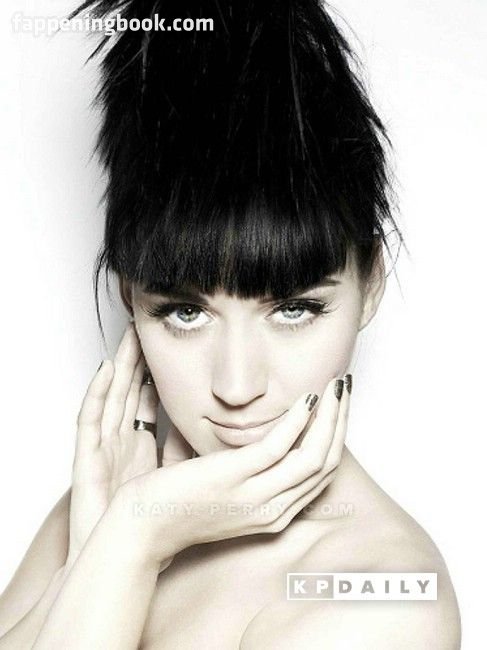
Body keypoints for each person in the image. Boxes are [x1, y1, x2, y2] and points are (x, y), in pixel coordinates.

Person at [0, 0, 461, 648]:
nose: (237, 387)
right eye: (185, 312)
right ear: (130, 297)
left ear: (371, 285)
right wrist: (111, 543)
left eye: (293, 309)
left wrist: (131, 538)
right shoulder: (115, 495)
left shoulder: (382, 599)